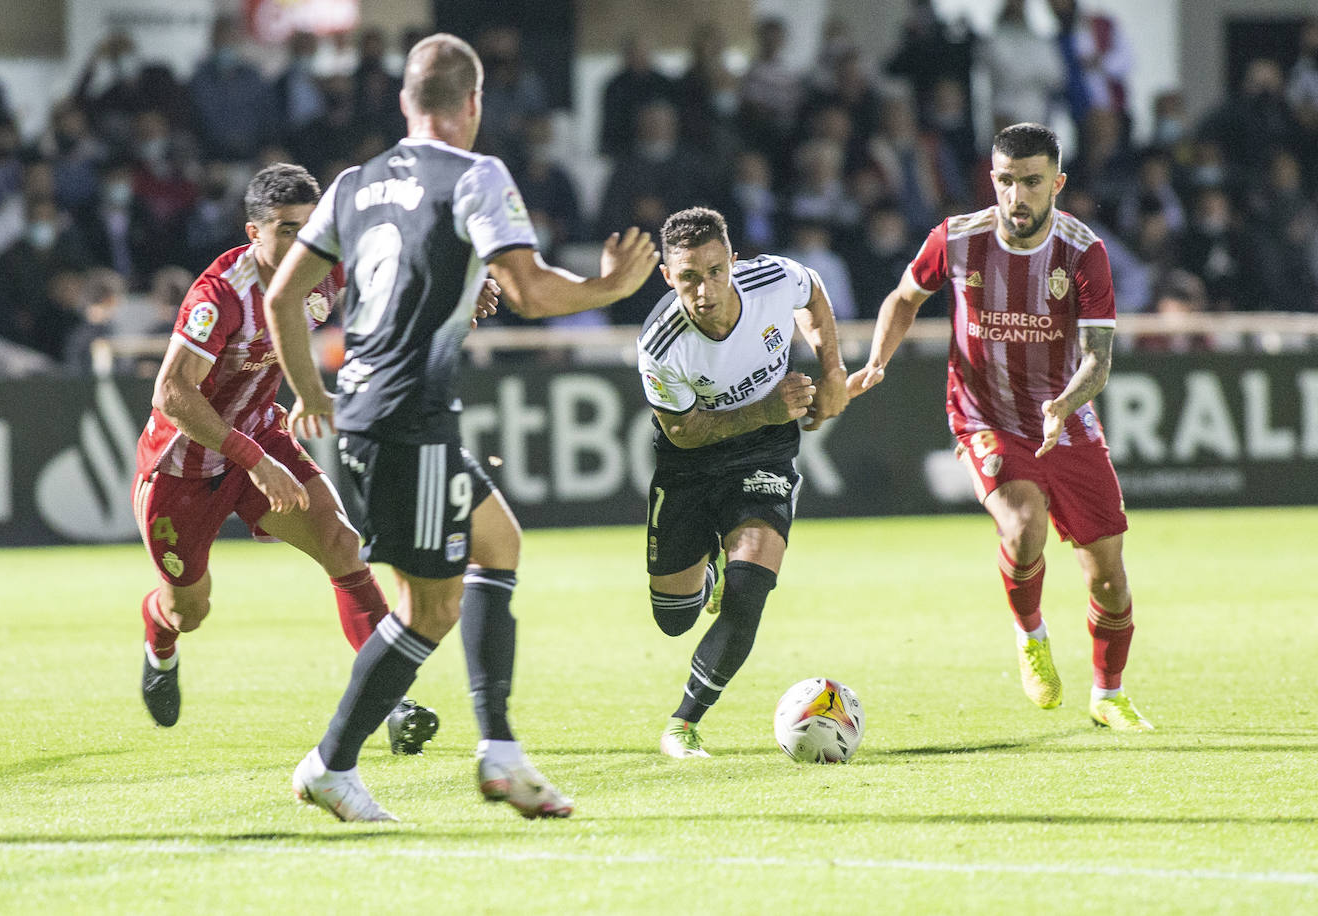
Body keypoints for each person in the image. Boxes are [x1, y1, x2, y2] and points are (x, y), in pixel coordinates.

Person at [263, 32, 657, 822]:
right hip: (408, 417)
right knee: (428, 610)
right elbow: (533, 292)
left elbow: (281, 300)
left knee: (498, 542)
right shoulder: (477, 175)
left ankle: (499, 751)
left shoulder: (354, 183)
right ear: (474, 103)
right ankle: (332, 763)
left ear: (406, 103)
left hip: (382, 409)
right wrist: (611, 287)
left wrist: (313, 392)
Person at [847, 122, 1154, 732]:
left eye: (1032, 182)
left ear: (1057, 184)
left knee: (1109, 577)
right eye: (1007, 181)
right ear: (993, 180)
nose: (1017, 196)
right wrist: (877, 359)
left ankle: (1108, 695)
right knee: (1022, 524)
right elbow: (903, 298)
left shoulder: (1083, 251)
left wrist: (1064, 405)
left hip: (1063, 420)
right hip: (983, 414)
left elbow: (1098, 359)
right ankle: (1031, 635)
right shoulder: (957, 239)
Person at [132, 163, 441, 754]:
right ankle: (159, 640)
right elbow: (171, 395)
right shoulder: (219, 293)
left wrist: (462, 288)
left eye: (312, 227)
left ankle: (391, 703)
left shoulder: (325, 269)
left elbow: (402, 273)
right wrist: (254, 460)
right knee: (188, 609)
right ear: (254, 233)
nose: (304, 243)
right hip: (182, 469)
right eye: (287, 231)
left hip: (262, 439)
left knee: (340, 543)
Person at [637, 206, 848, 759]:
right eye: (688, 277)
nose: (704, 290)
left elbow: (815, 291)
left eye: (714, 271)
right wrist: (766, 408)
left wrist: (833, 373)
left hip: (765, 452)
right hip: (691, 463)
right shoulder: (660, 345)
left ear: (733, 260)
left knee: (751, 587)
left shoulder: (773, 279)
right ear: (667, 276)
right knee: (674, 619)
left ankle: (684, 723)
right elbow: (683, 432)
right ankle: (706, 567)